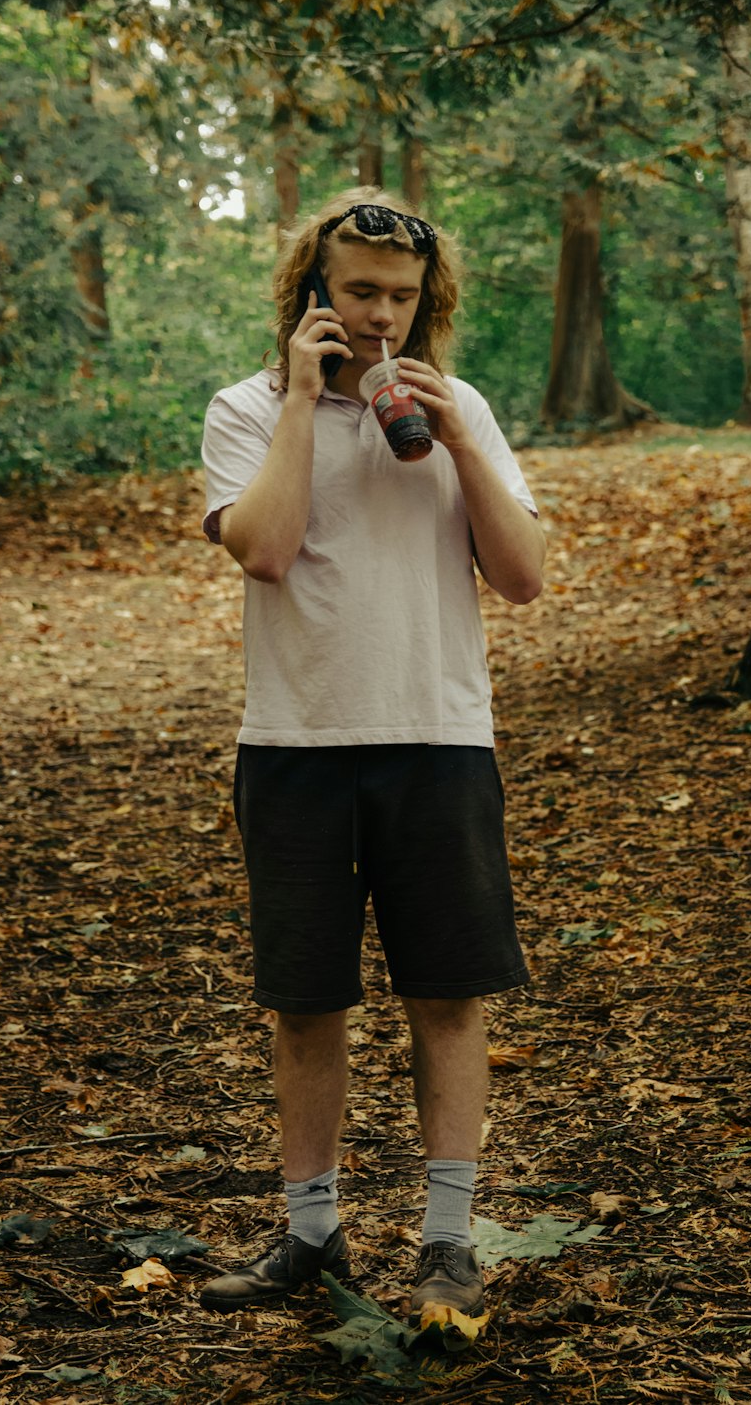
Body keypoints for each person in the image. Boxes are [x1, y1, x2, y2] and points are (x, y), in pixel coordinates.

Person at [197, 188, 545, 1324]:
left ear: (424, 298)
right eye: (359, 292)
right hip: (295, 744)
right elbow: (265, 549)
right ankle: (311, 1235)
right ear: (313, 291)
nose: (381, 316)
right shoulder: (244, 409)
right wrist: (306, 397)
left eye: (400, 296)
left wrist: (454, 438)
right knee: (306, 1004)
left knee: (446, 998)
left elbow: (526, 574)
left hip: (439, 741)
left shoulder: (464, 408)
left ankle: (447, 1243)